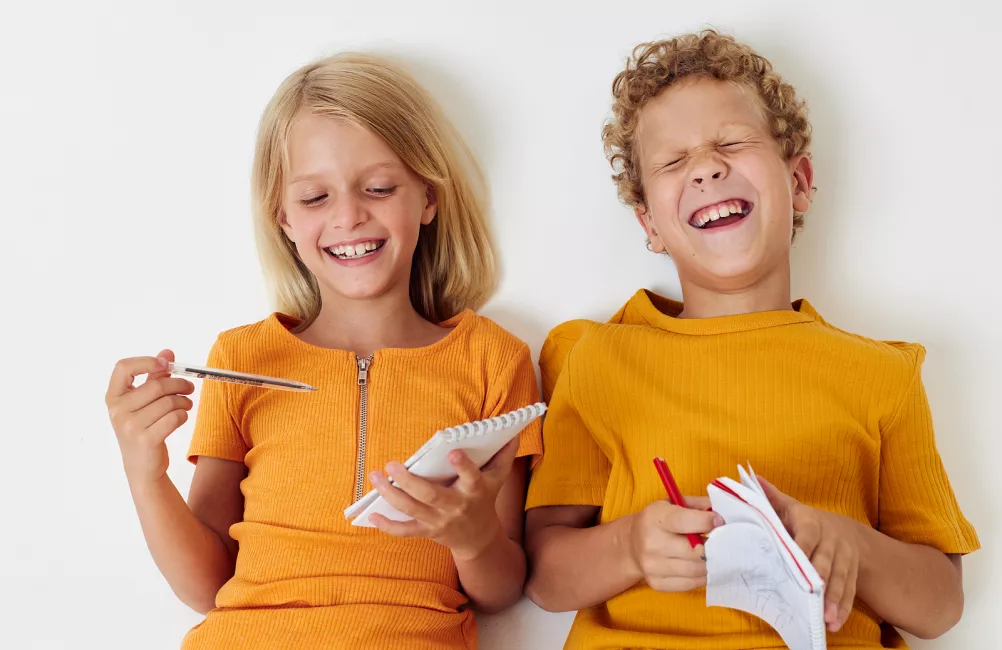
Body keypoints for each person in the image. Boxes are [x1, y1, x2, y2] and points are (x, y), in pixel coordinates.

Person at [523, 30, 979, 649]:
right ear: (649, 224)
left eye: (731, 143)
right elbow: (545, 576)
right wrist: (630, 546)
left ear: (799, 182)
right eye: (673, 161)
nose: (707, 167)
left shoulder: (882, 375)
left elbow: (941, 605)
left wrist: (850, 545)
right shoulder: (598, 358)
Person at [105, 53, 541, 650]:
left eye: (380, 188)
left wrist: (471, 538)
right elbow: (207, 585)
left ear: (429, 197)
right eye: (315, 198)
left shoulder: (494, 360)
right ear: (282, 218)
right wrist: (144, 471)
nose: (349, 216)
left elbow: (503, 589)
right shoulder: (243, 357)